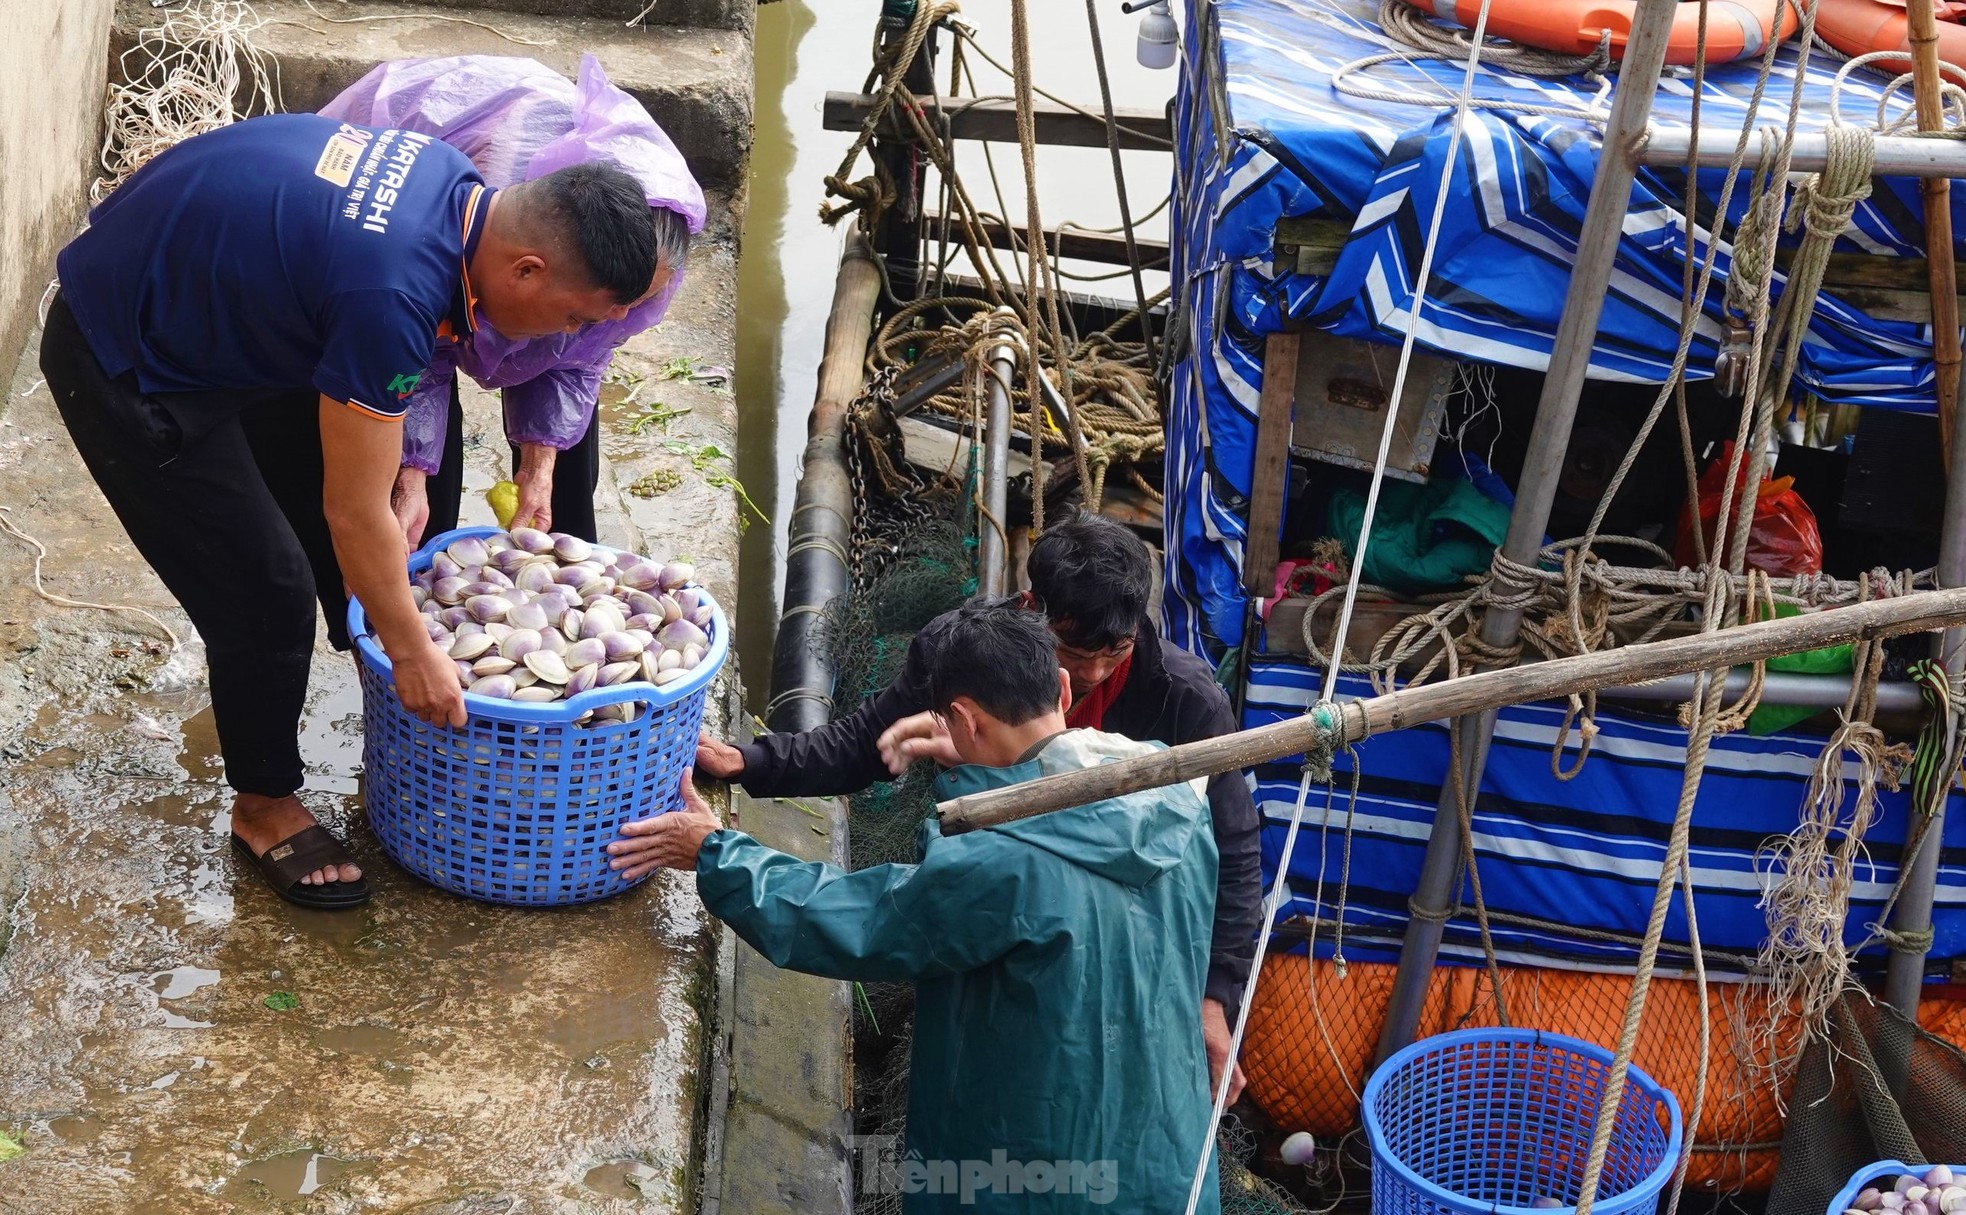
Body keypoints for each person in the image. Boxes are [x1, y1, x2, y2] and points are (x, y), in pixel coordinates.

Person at [41, 112, 666, 909]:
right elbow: (355, 510)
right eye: (576, 318)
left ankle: (385, 674)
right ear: (527, 271)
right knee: (265, 588)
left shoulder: (455, 186)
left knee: (343, 521)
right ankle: (263, 803)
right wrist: (411, 648)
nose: (571, 339)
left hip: (213, 305)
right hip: (123, 355)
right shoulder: (391, 291)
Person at [613, 603, 1221, 1213]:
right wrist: (972, 766)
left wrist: (716, 854)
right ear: (1062, 686)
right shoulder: (1175, 801)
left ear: (962, 717)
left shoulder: (1001, 864)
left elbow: (858, 918)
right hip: (1171, 1160)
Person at [671, 510, 1263, 1101]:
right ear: (1032, 609)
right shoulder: (965, 653)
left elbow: (1234, 852)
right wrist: (754, 762)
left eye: (1116, 654)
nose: (1093, 673)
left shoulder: (1187, 701)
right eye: (1077, 655)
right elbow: (867, 743)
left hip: (1116, 927)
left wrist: (1215, 1000)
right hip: (1006, 904)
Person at [319, 55, 705, 547]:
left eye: (633, 302)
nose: (616, 320)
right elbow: (413, 356)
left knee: (562, 492)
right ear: (528, 268)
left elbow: (577, 354)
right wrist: (411, 472)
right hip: (398, 236)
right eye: (593, 308)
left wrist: (539, 464)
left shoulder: (638, 254)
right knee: (404, 492)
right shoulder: (471, 236)